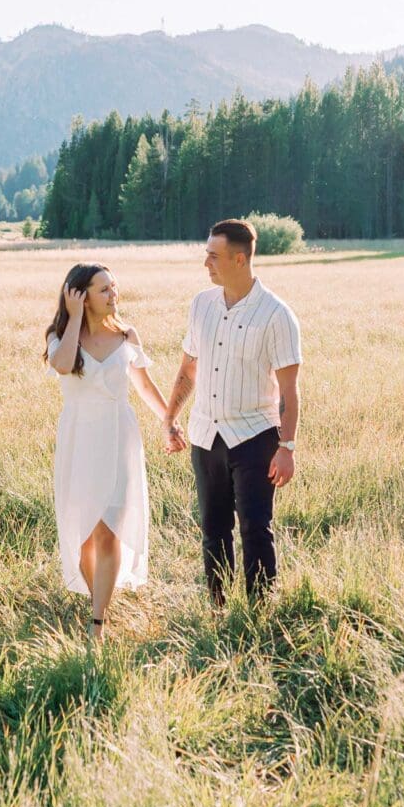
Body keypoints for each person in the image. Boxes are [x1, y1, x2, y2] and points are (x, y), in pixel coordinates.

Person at [163, 219, 302, 605]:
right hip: (206, 436)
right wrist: (171, 417)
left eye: (213, 256)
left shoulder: (276, 315)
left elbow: (289, 389)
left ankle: (260, 610)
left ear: (239, 259)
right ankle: (218, 609)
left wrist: (287, 447)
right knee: (213, 530)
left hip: (255, 439)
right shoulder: (201, 305)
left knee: (256, 529)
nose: (205, 263)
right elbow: (189, 367)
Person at [44, 262, 171, 641]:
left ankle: (98, 620)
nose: (114, 294)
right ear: (79, 295)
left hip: (119, 437)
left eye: (114, 287)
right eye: (103, 289)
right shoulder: (59, 336)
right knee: (82, 532)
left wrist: (169, 420)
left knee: (109, 528)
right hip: (80, 438)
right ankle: (94, 599)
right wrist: (74, 317)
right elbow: (64, 365)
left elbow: (145, 387)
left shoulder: (127, 334)